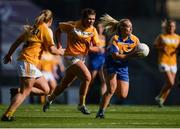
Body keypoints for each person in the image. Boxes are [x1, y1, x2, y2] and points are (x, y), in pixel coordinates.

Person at [1, 9, 64, 121]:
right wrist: (64, 51)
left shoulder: (33, 28)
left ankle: (16, 91)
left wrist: (9, 54)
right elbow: (52, 51)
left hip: (27, 62)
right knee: (24, 92)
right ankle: (7, 115)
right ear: (51, 20)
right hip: (28, 62)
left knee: (46, 89)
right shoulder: (45, 29)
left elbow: (17, 41)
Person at [43, 8, 104, 114]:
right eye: (89, 19)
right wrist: (59, 46)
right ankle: (81, 104)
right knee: (87, 77)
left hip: (81, 58)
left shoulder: (93, 30)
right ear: (83, 18)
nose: (91, 21)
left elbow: (98, 48)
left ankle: (49, 99)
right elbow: (58, 30)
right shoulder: (73, 25)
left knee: (64, 84)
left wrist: (90, 48)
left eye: (93, 19)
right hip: (70, 56)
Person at [96, 14, 141, 118]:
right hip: (110, 65)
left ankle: (107, 96)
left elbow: (138, 52)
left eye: (131, 26)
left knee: (123, 95)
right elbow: (115, 56)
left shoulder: (135, 40)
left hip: (123, 67)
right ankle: (101, 111)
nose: (130, 28)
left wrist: (141, 53)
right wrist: (132, 55)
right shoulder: (115, 39)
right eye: (128, 26)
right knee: (111, 89)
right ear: (121, 28)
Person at [154, 19, 180, 107]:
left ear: (175, 27)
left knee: (169, 84)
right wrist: (161, 48)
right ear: (167, 27)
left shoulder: (177, 37)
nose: (171, 27)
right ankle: (159, 97)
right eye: (170, 26)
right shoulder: (162, 36)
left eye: (173, 26)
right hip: (163, 61)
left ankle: (161, 100)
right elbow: (155, 45)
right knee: (171, 82)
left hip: (173, 62)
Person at [87, 22, 107, 99]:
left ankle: (103, 99)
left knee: (104, 81)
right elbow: (89, 49)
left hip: (102, 60)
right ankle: (83, 98)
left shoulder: (104, 37)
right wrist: (98, 50)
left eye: (101, 28)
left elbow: (104, 49)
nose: (99, 29)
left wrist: (104, 50)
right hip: (94, 60)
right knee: (90, 81)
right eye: (98, 28)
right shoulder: (92, 37)